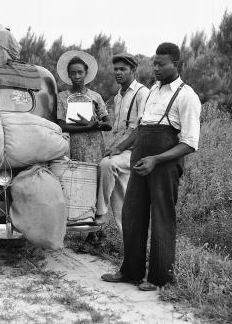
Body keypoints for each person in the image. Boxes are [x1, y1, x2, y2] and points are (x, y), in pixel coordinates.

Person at [101, 43, 201, 291]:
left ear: (175, 65)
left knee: (162, 218)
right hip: (140, 160)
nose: (155, 68)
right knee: (132, 214)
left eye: (161, 64)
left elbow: (189, 143)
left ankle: (159, 278)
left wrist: (156, 159)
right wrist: (122, 147)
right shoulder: (153, 91)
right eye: (154, 63)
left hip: (164, 165)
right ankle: (131, 272)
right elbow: (142, 129)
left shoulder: (187, 96)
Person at [96, 53, 149, 231]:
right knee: (122, 204)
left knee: (106, 165)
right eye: (116, 69)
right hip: (122, 150)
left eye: (123, 69)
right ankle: (130, 249)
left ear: (133, 70)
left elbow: (142, 128)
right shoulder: (119, 95)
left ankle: (101, 212)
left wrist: (119, 148)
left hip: (135, 151)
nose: (118, 72)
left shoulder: (142, 93)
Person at [56, 50, 112, 165]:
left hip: (95, 145)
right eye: (73, 73)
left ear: (86, 73)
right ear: (69, 74)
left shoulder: (95, 96)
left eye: (80, 72)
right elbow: (61, 125)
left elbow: (108, 125)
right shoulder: (62, 97)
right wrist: (88, 126)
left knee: (95, 177)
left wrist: (95, 125)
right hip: (72, 145)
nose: (77, 76)